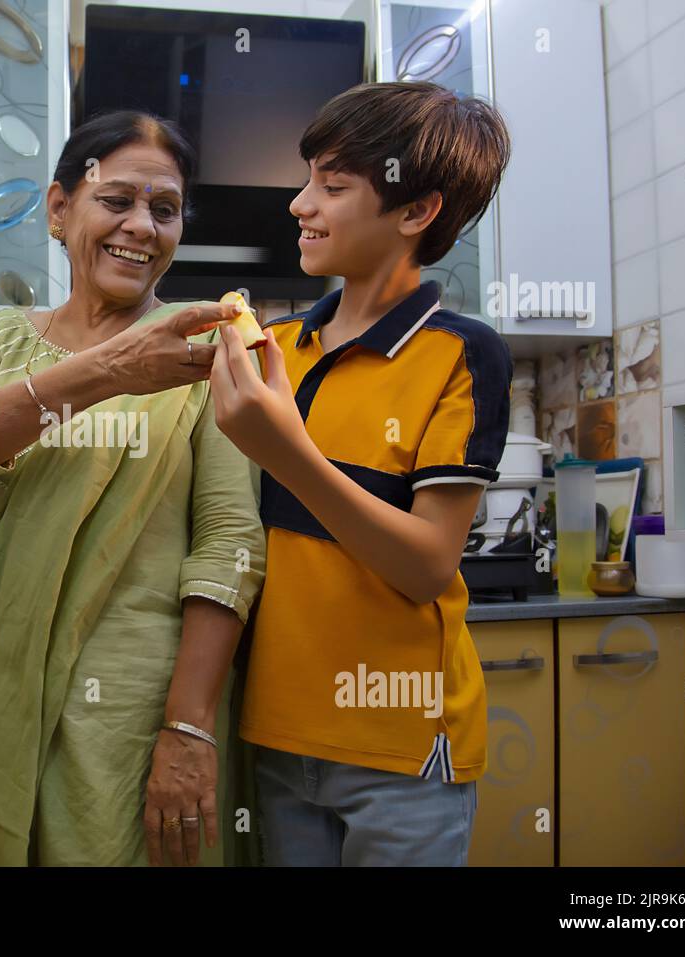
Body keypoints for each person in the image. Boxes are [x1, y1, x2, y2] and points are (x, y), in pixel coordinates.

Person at [0, 110, 265, 866]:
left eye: (164, 210)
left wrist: (190, 729)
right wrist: (105, 371)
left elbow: (231, 542)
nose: (142, 225)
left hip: (133, 717)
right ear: (60, 207)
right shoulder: (3, 338)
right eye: (117, 199)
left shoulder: (206, 352)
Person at [207, 82, 514, 866]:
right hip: (279, 733)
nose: (300, 204)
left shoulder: (460, 353)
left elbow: (425, 563)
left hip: (400, 746)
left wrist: (288, 454)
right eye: (309, 177)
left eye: (333, 187)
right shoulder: (278, 347)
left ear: (416, 213)